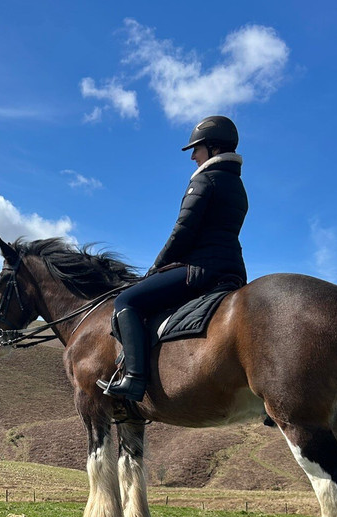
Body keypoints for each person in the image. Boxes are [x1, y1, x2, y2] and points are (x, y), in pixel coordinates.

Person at [98, 115, 248, 402]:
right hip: (234, 270)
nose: (193, 156)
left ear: (214, 148)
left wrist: (156, 267)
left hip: (202, 270)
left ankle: (134, 379)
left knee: (126, 301)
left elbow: (183, 231)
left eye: (197, 148)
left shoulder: (205, 180)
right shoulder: (237, 185)